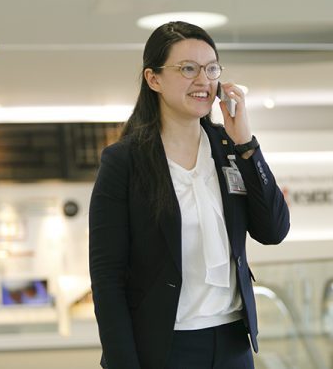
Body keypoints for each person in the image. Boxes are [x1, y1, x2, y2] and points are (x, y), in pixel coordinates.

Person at [89, 21, 290, 369]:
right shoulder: (124, 161)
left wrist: (246, 144)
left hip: (232, 343)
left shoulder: (229, 149)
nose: (203, 81)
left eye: (211, 69)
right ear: (153, 79)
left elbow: (273, 230)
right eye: (188, 69)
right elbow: (107, 278)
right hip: (164, 347)